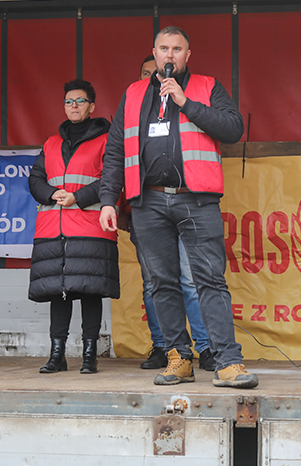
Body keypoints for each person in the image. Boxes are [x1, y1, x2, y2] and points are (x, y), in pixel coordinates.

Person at [99, 26, 258, 389]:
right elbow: (115, 151)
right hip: (148, 200)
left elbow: (233, 128)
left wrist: (186, 102)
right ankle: (178, 358)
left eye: (177, 49)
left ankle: (228, 362)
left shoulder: (206, 87)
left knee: (209, 280)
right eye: (163, 48)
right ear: (153, 53)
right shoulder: (134, 93)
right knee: (161, 283)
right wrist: (109, 200)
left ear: (188, 55)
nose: (170, 55)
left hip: (196, 198)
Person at [28, 79, 119, 374]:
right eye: (69, 101)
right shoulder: (51, 142)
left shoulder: (106, 139)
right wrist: (51, 194)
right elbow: (35, 178)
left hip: (90, 226)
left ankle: (90, 355)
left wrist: (78, 196)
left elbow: (111, 179)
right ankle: (58, 355)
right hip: (53, 229)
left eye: (80, 101)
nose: (74, 106)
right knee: (59, 292)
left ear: (92, 106)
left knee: (90, 291)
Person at [131, 55, 215, 372]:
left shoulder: (189, 97)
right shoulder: (133, 108)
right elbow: (122, 161)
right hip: (146, 208)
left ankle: (206, 347)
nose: (156, 77)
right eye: (147, 74)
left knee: (192, 280)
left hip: (189, 200)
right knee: (154, 283)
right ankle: (165, 347)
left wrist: (185, 101)